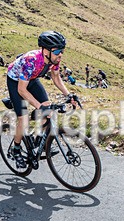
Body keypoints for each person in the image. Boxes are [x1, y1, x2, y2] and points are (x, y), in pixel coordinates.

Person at [6, 31, 78, 169]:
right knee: (24, 118)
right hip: (16, 82)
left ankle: (39, 143)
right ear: (45, 51)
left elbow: (56, 77)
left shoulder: (54, 59)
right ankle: (15, 150)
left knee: (48, 112)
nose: (60, 54)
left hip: (32, 80)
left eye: (62, 50)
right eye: (57, 51)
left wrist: (69, 95)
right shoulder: (31, 60)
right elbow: (21, 90)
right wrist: (39, 106)